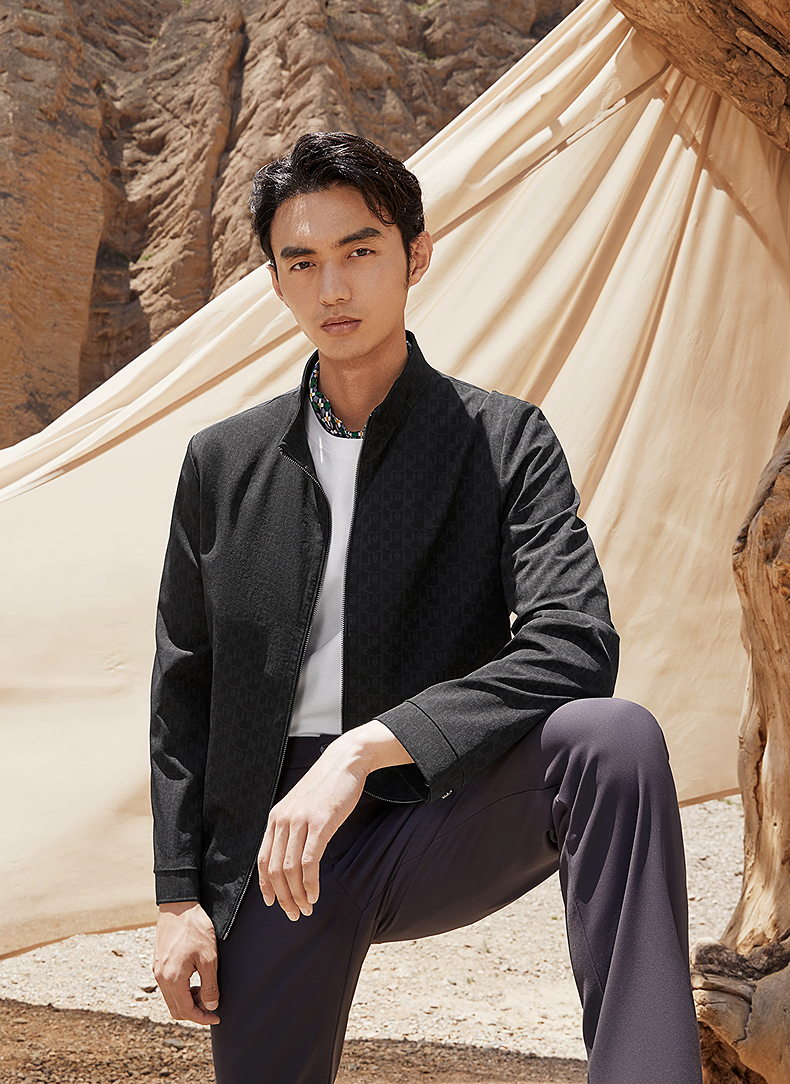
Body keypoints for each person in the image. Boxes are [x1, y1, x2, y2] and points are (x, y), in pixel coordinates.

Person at [150, 131, 703, 1084]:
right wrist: (177, 900)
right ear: (276, 283)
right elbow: (182, 689)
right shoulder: (222, 462)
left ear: (416, 255)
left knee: (613, 741)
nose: (333, 288)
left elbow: (575, 642)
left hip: (432, 807)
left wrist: (366, 748)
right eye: (302, 263)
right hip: (276, 848)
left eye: (360, 251)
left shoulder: (503, 440)